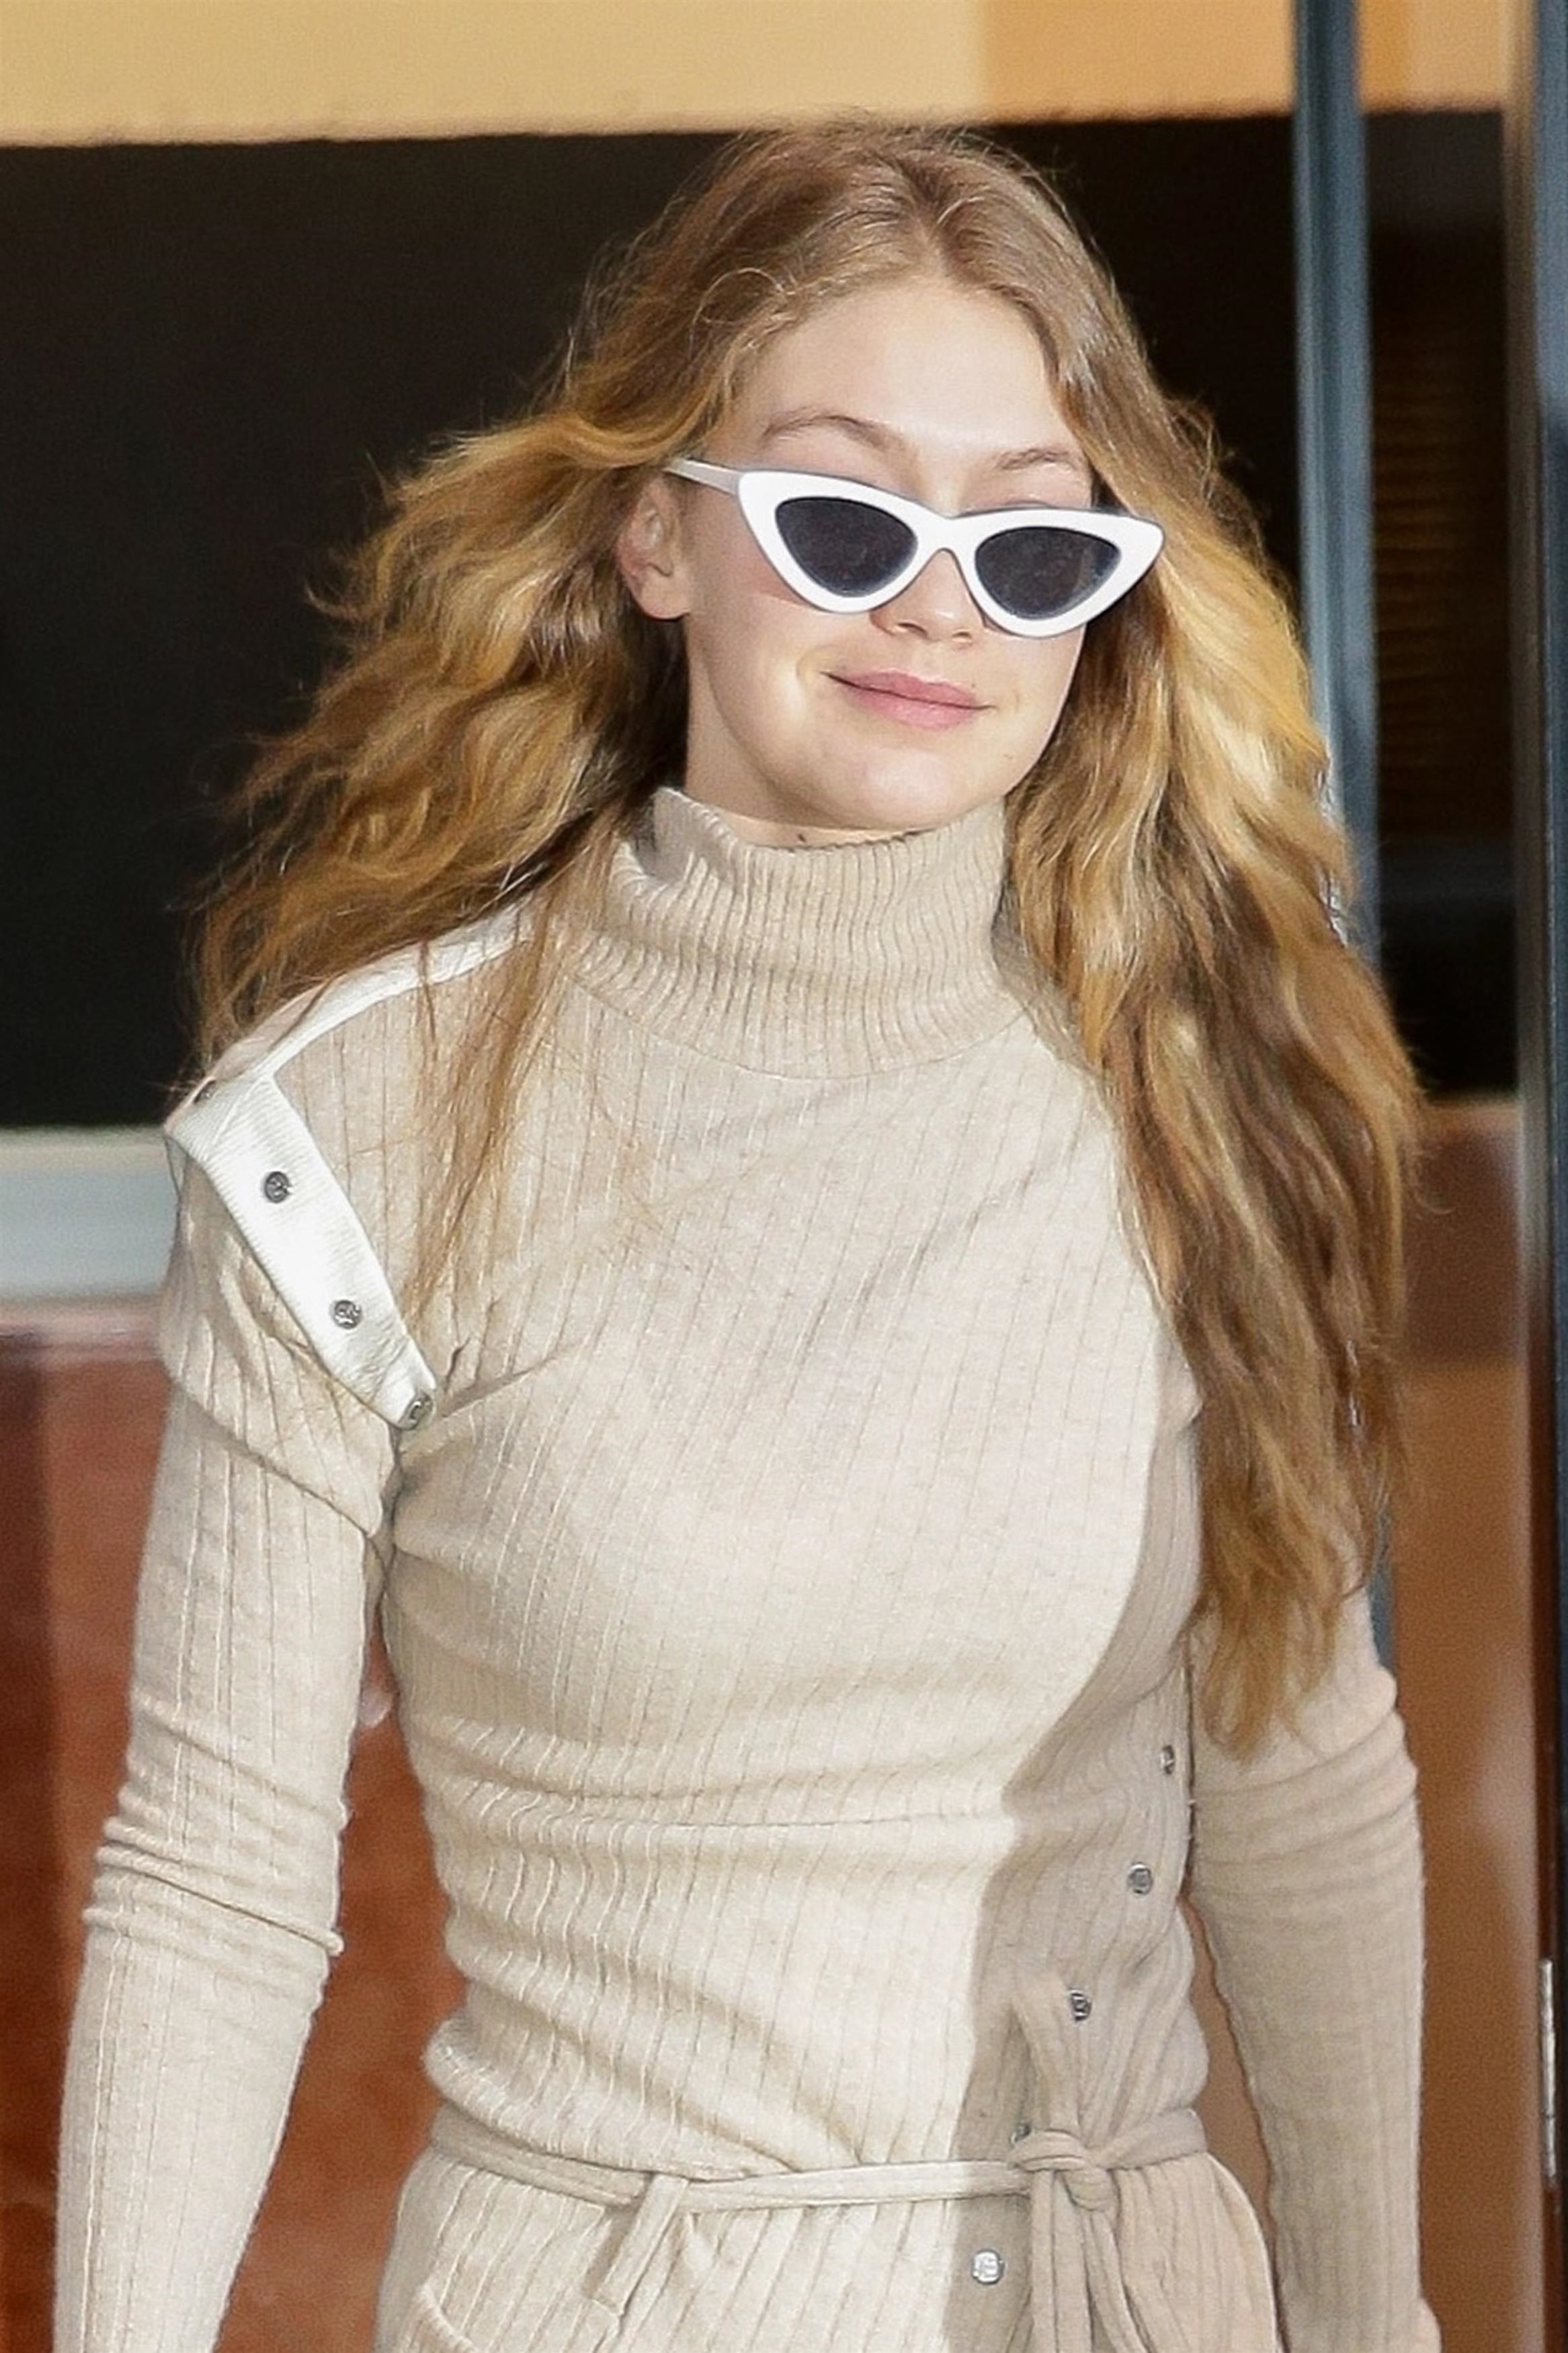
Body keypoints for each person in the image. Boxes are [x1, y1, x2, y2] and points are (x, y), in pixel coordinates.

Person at [55, 120, 1440, 2353]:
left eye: (1028, 545)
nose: (938, 609)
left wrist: (1382, 2325)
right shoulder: (366, 1128)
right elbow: (218, 1873)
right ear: (658, 536)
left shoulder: (1207, 1100)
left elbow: (1305, 1791)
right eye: (844, 517)